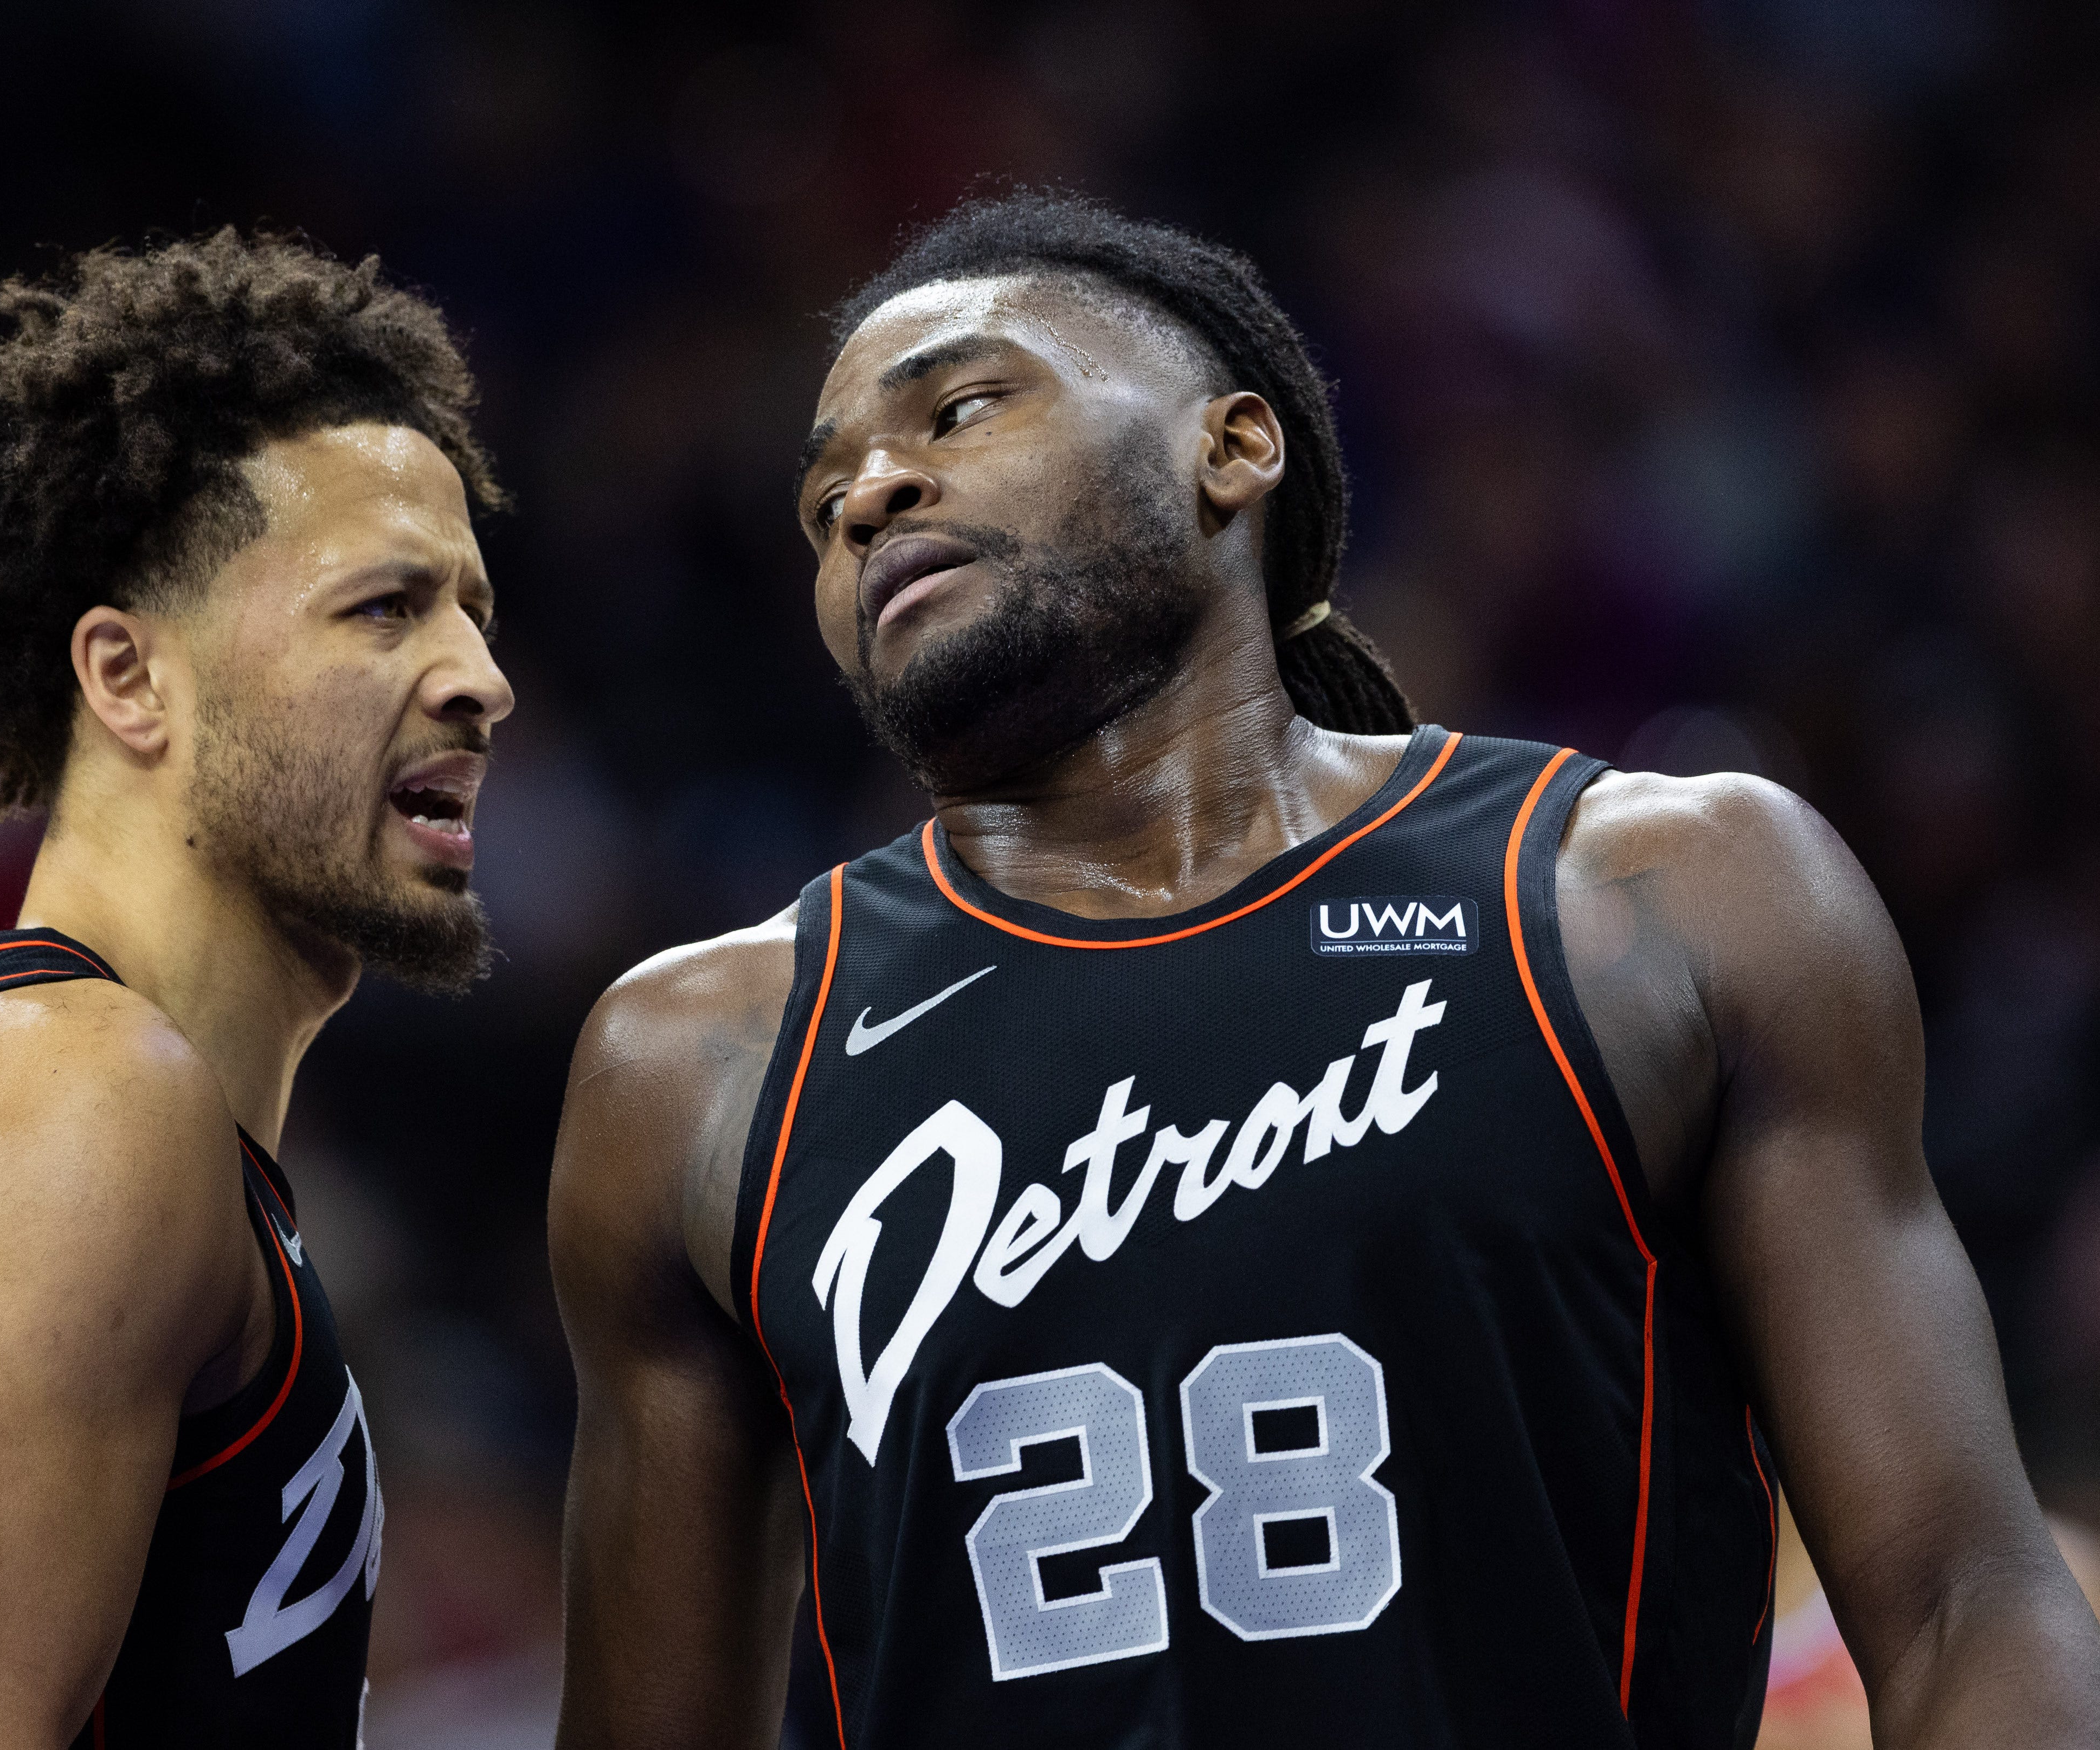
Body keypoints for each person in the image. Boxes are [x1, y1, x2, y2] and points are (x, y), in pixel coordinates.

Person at [547, 194, 2100, 1747]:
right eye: (821, 504)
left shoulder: (1654, 897)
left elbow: (1964, 1601)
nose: (871, 494)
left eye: (956, 408)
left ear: (1231, 448)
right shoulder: (696, 1063)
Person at [0, 230, 513, 1748]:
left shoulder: (147, 1131)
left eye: (475, 610)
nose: (480, 675)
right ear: (127, 677)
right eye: (384, 607)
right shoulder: (69, 1102)